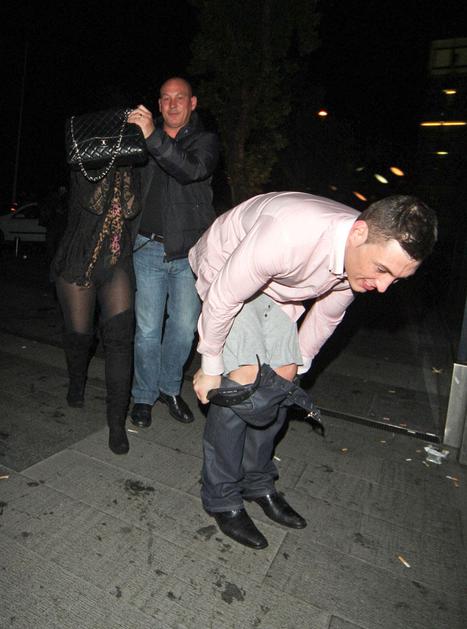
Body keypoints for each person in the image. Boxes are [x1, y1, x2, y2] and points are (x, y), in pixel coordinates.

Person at [189, 191, 437, 549]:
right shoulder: (287, 234)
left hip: (276, 289)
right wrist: (211, 364)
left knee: (282, 383)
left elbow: (325, 316)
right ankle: (221, 497)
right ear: (359, 233)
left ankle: (257, 482)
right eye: (382, 270)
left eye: (396, 279)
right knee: (242, 383)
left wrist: (292, 373)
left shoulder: (359, 258)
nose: (383, 287)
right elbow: (225, 296)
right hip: (226, 268)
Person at [127, 77, 219, 428]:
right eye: (165, 98)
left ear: (193, 103)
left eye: (180, 97)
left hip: (189, 254)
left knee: (183, 329)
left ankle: (168, 388)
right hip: (146, 248)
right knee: (147, 331)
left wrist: (152, 135)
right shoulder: (141, 139)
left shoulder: (204, 141)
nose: (172, 104)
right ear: (159, 104)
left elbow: (188, 169)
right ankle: (143, 396)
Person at [51, 166, 142, 455]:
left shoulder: (131, 163)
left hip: (115, 258)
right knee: (80, 336)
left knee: (120, 340)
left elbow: (130, 209)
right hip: (80, 255)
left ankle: (116, 423)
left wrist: (125, 170)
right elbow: (94, 203)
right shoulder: (84, 159)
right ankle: (77, 380)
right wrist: (109, 167)